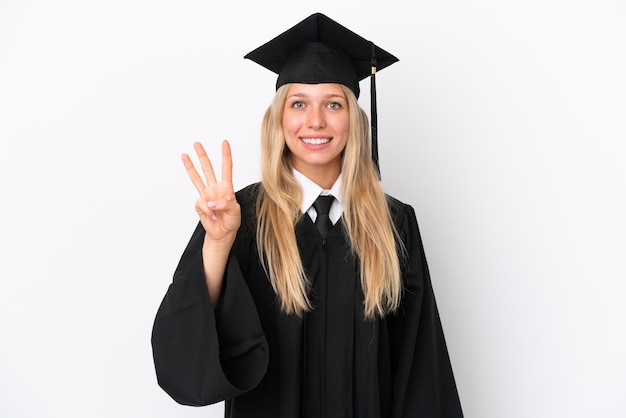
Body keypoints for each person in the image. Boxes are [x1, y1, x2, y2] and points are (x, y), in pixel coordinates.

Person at [151, 12, 463, 418]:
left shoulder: (394, 223)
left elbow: (422, 365)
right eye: (299, 103)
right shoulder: (240, 218)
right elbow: (185, 350)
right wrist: (218, 243)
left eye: (333, 104)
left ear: (353, 118)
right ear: (279, 118)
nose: (315, 121)